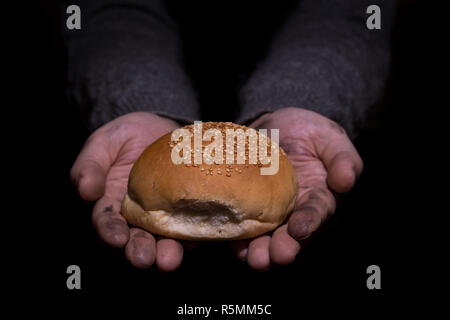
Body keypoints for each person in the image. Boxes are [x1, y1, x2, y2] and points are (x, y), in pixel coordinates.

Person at [65, 0, 395, 271]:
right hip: (158, 81)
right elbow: (113, 10)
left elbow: (352, 11)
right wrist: (142, 100)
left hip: (298, 76)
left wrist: (300, 96)